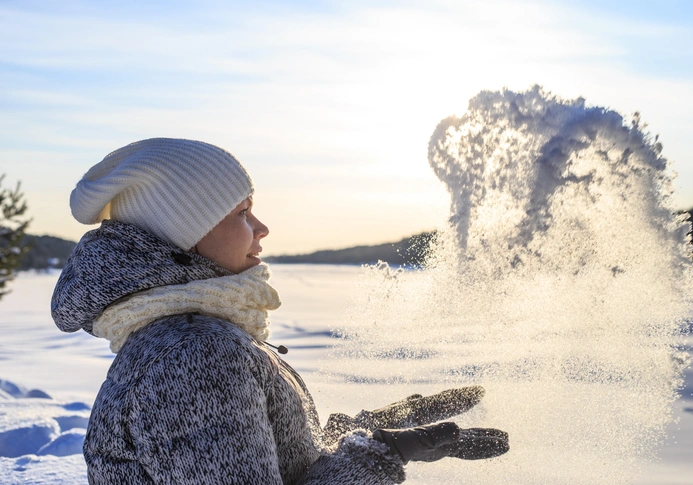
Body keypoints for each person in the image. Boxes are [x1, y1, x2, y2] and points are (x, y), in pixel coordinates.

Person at [51, 138, 508, 484]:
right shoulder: (194, 356)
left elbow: (282, 462)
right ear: (184, 234)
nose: (262, 228)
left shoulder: (193, 335)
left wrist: (378, 427)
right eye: (242, 213)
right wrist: (385, 454)